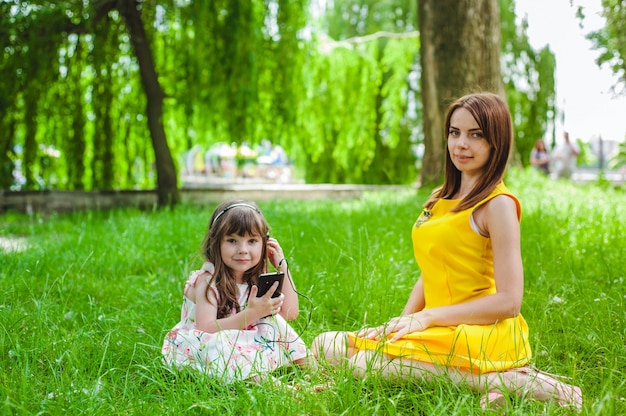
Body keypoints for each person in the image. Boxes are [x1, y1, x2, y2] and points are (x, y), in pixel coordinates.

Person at [311, 93, 582, 411]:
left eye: (476, 134)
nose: (461, 144)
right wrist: (401, 323)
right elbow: (432, 270)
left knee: (364, 364)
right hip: (436, 326)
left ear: (497, 141)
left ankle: (514, 382)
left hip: (480, 331)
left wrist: (427, 318)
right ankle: (490, 388)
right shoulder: (439, 197)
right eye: (455, 132)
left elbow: (509, 302)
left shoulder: (498, 205)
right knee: (324, 347)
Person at [162, 200, 311, 383]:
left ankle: (311, 369)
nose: (243, 250)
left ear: (265, 243)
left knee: (273, 320)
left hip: (242, 336)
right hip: (208, 342)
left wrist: (282, 267)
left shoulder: (256, 276)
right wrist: (253, 313)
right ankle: (274, 385)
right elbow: (206, 328)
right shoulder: (208, 280)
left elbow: (290, 314)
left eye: (252, 241)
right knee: (222, 348)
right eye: (232, 240)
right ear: (216, 243)